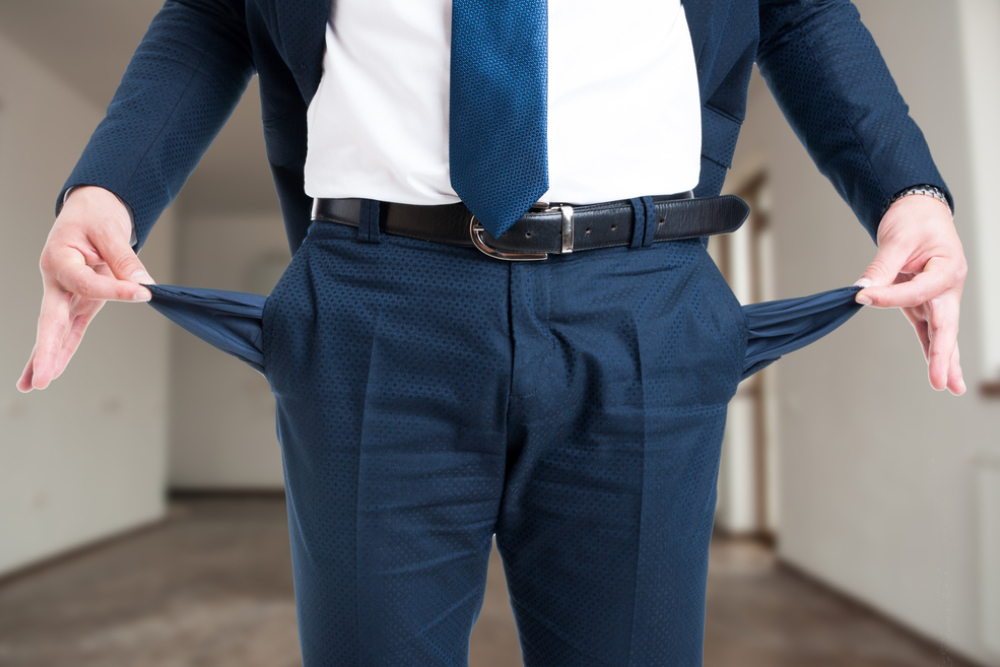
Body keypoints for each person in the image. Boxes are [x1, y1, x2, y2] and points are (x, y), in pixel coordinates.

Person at [16, 1, 968, 665]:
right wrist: (108, 186)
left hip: (642, 299)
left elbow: (798, 9)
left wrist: (907, 191)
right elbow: (218, 10)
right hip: (376, 301)